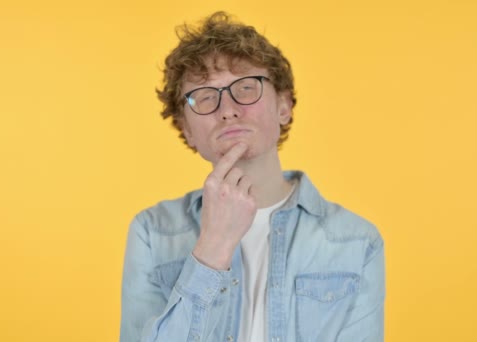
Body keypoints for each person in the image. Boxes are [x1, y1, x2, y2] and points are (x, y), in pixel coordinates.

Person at [120, 11, 385, 342]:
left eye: (246, 88)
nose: (227, 109)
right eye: (204, 97)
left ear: (283, 107)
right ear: (186, 129)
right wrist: (212, 247)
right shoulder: (152, 230)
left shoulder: (356, 240)